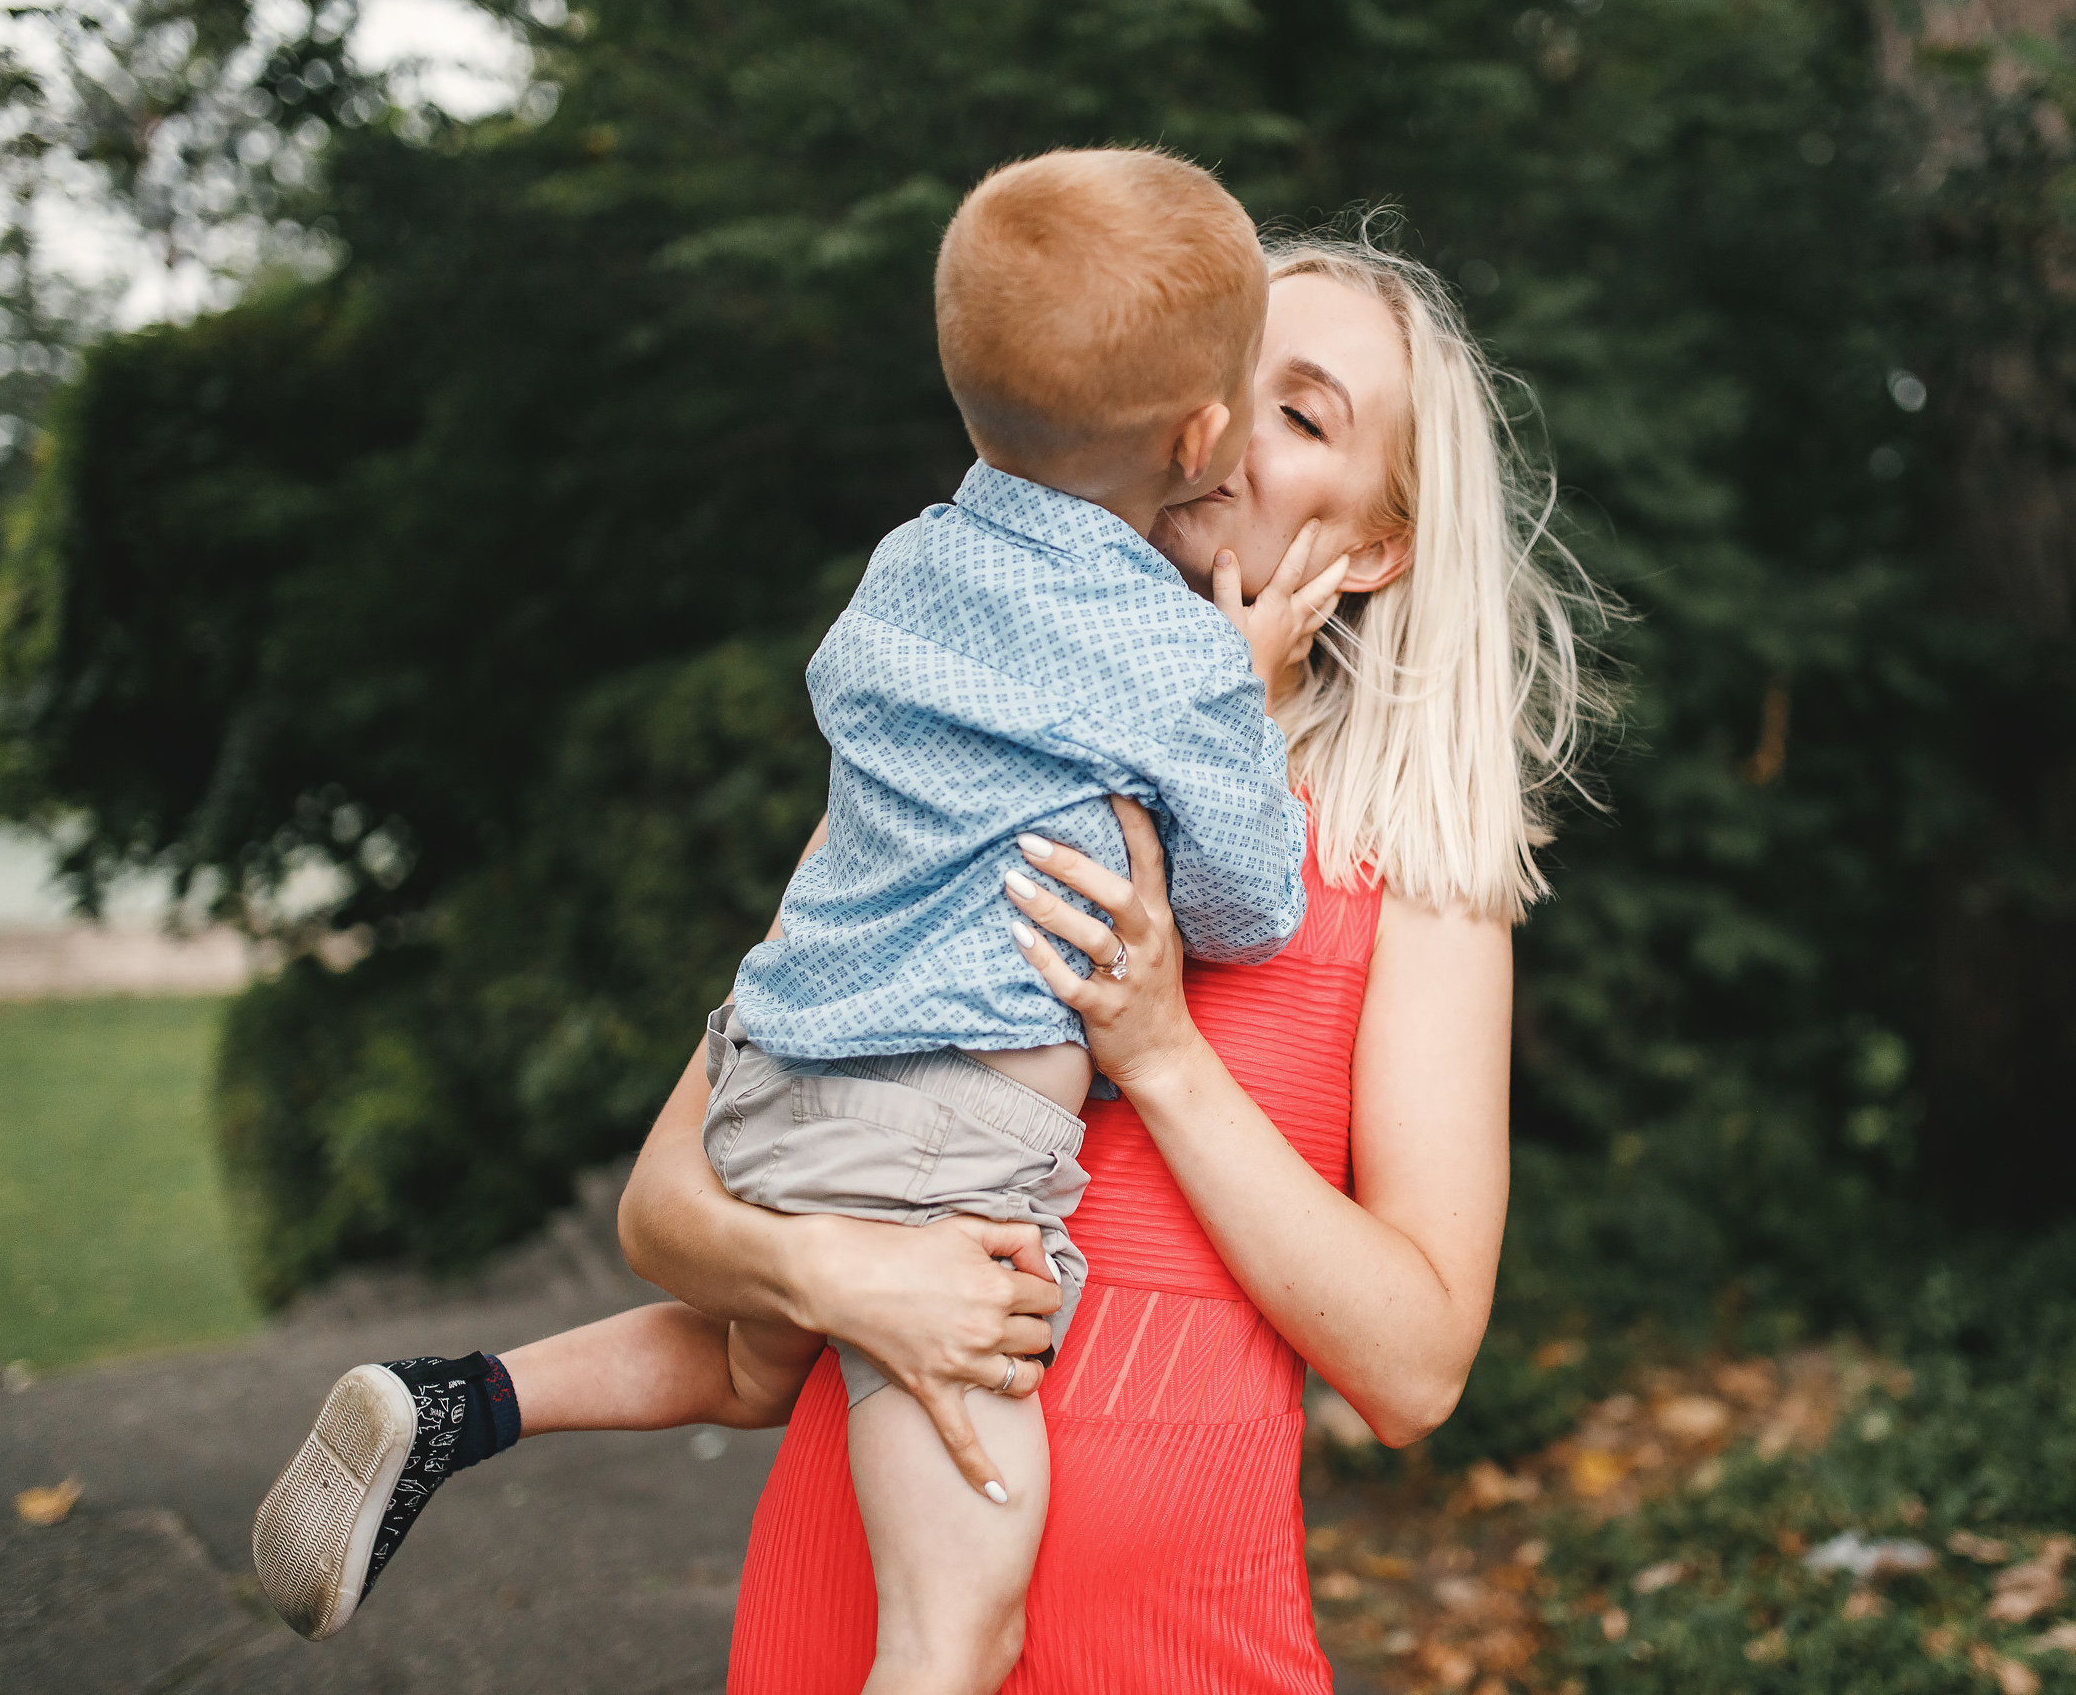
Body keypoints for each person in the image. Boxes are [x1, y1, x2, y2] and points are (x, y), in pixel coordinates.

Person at [249, 147, 1328, 1693]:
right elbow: (1250, 907)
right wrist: (1248, 701)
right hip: (946, 1150)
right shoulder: (1175, 659)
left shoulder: (905, 569)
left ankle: (457, 1403)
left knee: (761, 1366)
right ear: (1205, 434)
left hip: (779, 1071)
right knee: (955, 1632)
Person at [627, 229, 1610, 1691]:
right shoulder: (953, 763)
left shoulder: (1417, 870)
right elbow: (665, 1211)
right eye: (1223, 373)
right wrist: (839, 1276)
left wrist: (1160, 1050)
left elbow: (1415, 1370)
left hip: (1176, 1638)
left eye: (1304, 410)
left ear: (1377, 545)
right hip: (865, 1588)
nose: (1221, 425)